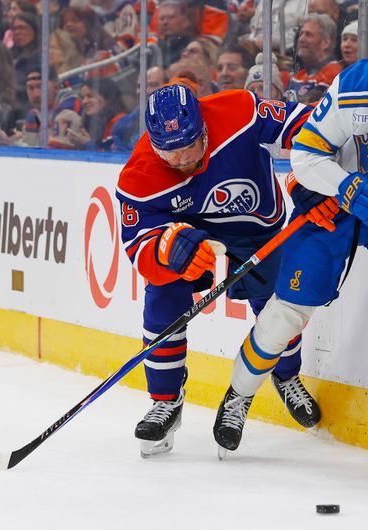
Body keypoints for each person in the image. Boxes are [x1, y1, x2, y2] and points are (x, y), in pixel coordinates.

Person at [212, 14, 368, 461]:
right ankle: (238, 396)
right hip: (338, 201)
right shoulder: (354, 84)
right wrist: (344, 185)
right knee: (289, 308)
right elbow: (308, 154)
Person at [115, 84, 320, 457]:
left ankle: (287, 375)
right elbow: (138, 248)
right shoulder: (139, 176)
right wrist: (166, 253)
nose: (180, 160)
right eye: (168, 151)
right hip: (189, 230)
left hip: (254, 225)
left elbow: (303, 122)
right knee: (163, 299)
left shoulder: (237, 110)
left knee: (277, 306)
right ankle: (166, 401)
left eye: (188, 146)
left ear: (203, 128)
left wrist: (324, 168)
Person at [287, 13, 342, 104]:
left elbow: (306, 108)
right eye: (301, 34)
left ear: (325, 43)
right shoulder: (300, 75)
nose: (301, 39)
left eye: (308, 35)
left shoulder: (333, 74)